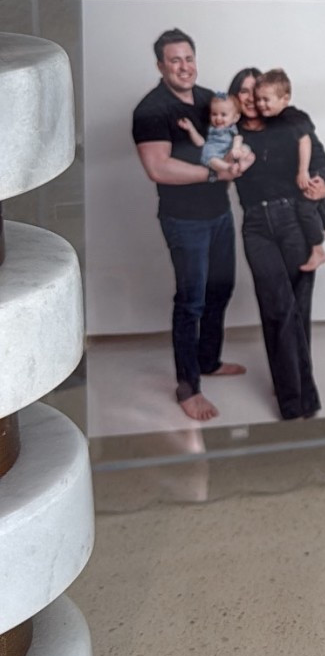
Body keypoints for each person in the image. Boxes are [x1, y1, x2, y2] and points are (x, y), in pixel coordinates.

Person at [132, 29, 252, 423]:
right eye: (175, 60)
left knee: (221, 289)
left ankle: (209, 360)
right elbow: (158, 167)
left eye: (188, 58)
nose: (184, 67)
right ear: (160, 66)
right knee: (191, 302)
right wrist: (215, 174)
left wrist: (244, 157)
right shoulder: (151, 110)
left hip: (219, 214)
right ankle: (188, 388)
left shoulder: (209, 99)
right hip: (185, 222)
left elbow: (233, 136)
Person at [228, 65, 325, 422]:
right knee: (278, 308)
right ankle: (296, 401)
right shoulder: (231, 133)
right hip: (256, 226)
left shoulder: (288, 122)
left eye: (257, 91)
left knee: (297, 310)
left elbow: (321, 164)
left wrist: (322, 189)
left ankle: (293, 386)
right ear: (236, 96)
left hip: (294, 221)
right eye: (244, 91)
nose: (252, 98)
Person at [251, 68, 325, 273]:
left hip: (316, 166)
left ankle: (317, 249)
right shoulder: (273, 121)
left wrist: (303, 171)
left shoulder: (292, 116)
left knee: (305, 207)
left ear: (284, 99)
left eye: (266, 100)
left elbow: (304, 141)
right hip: (313, 167)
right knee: (318, 204)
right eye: (258, 99)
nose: (260, 104)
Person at [178, 91, 253, 177]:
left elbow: (238, 138)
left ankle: (242, 165)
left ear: (235, 118)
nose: (218, 118)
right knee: (210, 159)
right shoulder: (210, 129)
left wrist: (237, 148)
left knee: (246, 150)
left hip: (231, 152)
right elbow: (200, 143)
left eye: (223, 115)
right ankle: (228, 167)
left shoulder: (232, 128)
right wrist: (191, 129)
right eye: (214, 114)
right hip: (215, 154)